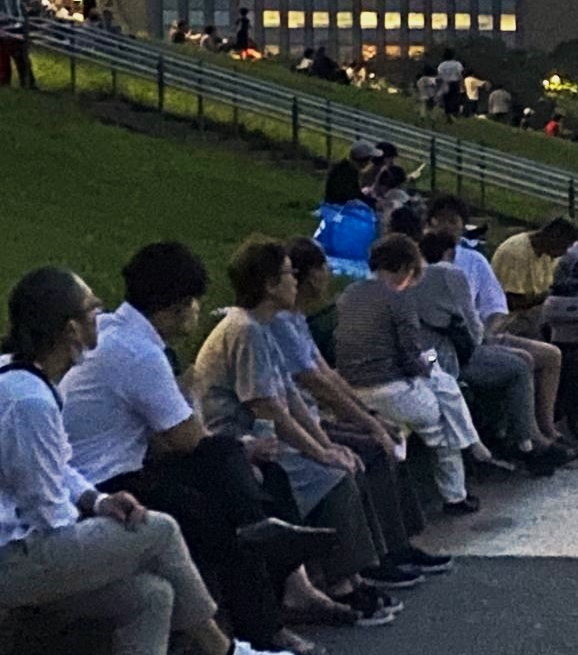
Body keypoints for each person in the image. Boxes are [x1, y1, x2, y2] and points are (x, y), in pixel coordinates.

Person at [59, 243, 343, 654]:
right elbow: (189, 440)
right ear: (177, 306)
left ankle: (265, 553)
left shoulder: (122, 334)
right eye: (194, 303)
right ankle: (261, 617)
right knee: (221, 503)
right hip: (102, 480)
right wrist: (198, 400)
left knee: (245, 470)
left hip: (123, 464)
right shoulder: (139, 353)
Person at [0, 267, 289, 655]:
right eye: (91, 310)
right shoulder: (29, 401)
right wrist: (108, 539)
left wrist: (100, 502)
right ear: (70, 329)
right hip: (16, 558)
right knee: (159, 530)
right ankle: (228, 650)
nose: (99, 317)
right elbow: (48, 512)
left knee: (151, 595)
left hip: (28, 546)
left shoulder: (24, 380)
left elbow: (58, 466)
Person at [193, 238, 395, 626]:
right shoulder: (246, 330)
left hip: (265, 435)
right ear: (269, 284)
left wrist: (326, 443)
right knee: (332, 477)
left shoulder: (263, 327)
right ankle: (340, 584)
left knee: (342, 462)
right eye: (288, 274)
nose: (295, 281)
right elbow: (267, 406)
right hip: (242, 442)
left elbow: (288, 396)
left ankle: (354, 573)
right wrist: (320, 453)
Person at [280, 237, 452, 582]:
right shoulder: (281, 326)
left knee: (382, 437)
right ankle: (377, 558)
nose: (328, 275)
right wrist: (368, 424)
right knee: (372, 448)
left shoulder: (296, 321)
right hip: (296, 424)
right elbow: (319, 385)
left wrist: (370, 417)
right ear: (308, 275)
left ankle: (399, 543)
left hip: (313, 415)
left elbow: (329, 375)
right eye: (323, 268)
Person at [334, 235, 487, 515]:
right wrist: (427, 362)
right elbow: (409, 357)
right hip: (392, 389)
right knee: (442, 418)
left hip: (353, 387)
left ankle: (471, 441)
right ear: (405, 268)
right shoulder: (398, 299)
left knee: (439, 381)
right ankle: (457, 492)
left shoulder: (349, 294)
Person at [427, 196, 578, 461]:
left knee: (549, 354)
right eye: (441, 220)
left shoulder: (473, 261)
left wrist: (488, 331)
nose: (447, 226)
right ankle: (527, 440)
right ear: (430, 222)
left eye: (454, 221)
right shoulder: (423, 263)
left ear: (463, 225)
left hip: (484, 334)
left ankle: (546, 428)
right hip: (447, 348)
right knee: (522, 362)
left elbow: (494, 305)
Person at [490, 218, 578, 339]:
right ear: (553, 237)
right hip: (505, 320)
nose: (563, 252)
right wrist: (548, 296)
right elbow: (510, 302)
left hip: (532, 315)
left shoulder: (548, 254)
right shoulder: (516, 252)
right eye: (563, 247)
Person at [0, 0, 35, 89]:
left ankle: (27, 83)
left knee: (22, 57)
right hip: (4, 27)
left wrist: (24, 16)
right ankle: (4, 83)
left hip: (17, 26)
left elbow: (18, 5)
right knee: (4, 58)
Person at [436, 48, 464, 121]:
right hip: (454, 83)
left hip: (445, 83)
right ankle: (453, 114)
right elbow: (460, 75)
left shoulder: (441, 65)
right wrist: (462, 86)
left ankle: (447, 114)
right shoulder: (457, 64)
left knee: (447, 100)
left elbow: (439, 76)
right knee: (454, 99)